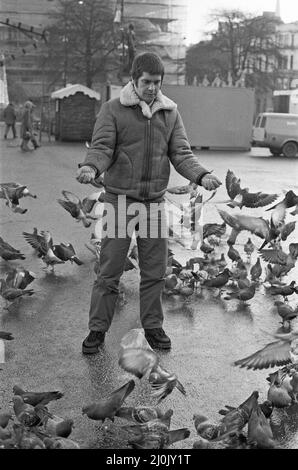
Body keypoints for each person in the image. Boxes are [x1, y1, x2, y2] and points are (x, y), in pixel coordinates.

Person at [76, 52, 222, 354]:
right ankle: (97, 330)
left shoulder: (170, 113)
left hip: (154, 204)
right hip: (120, 202)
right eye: (147, 82)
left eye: (157, 83)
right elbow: (102, 147)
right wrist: (91, 167)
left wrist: (202, 175)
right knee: (109, 271)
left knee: (155, 271)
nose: (152, 88)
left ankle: (153, 326)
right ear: (134, 79)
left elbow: (181, 154)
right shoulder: (113, 110)